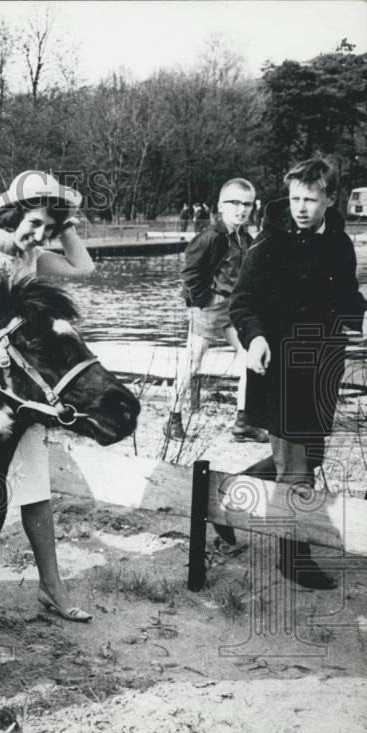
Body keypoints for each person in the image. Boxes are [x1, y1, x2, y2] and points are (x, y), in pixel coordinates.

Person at [0, 170, 95, 622]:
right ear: (11, 216)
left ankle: (52, 587)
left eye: (48, 228)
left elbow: (83, 268)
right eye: (33, 223)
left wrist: (65, 223)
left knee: (36, 487)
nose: (39, 235)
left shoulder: (29, 252)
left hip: (19, 387)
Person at [230, 158, 367, 590]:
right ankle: (294, 557)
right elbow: (242, 303)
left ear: (330, 199)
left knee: (310, 456)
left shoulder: (340, 244)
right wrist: (254, 338)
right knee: (296, 467)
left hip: (322, 368)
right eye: (294, 199)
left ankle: (230, 494)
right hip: (279, 367)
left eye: (310, 199)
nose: (301, 208)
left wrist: (363, 316)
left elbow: (346, 298)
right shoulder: (269, 243)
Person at [166, 178, 267, 443]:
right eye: (235, 203)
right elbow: (190, 272)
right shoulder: (210, 237)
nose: (241, 209)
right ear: (221, 206)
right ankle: (173, 418)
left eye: (247, 204)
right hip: (209, 308)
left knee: (250, 357)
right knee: (192, 361)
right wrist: (204, 300)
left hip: (235, 309)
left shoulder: (245, 237)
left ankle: (243, 422)